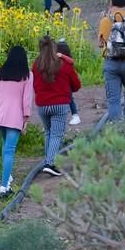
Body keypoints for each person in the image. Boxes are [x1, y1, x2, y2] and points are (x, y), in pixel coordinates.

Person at [0, 46, 33, 195]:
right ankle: (4, 186)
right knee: (9, 150)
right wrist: (26, 119)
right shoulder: (27, 75)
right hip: (14, 115)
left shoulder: (0, 73)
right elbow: (27, 99)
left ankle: (7, 177)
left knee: (5, 147)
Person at [32, 35, 81, 176]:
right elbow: (76, 85)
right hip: (60, 104)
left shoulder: (36, 64)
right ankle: (50, 163)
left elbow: (34, 83)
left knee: (48, 132)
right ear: (54, 48)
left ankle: (47, 160)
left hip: (42, 105)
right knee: (57, 134)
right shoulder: (63, 64)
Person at [56, 39, 81, 125]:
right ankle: (74, 115)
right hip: (61, 82)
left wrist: (62, 56)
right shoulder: (61, 59)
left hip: (66, 83)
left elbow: (71, 61)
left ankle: (75, 115)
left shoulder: (67, 60)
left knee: (70, 99)